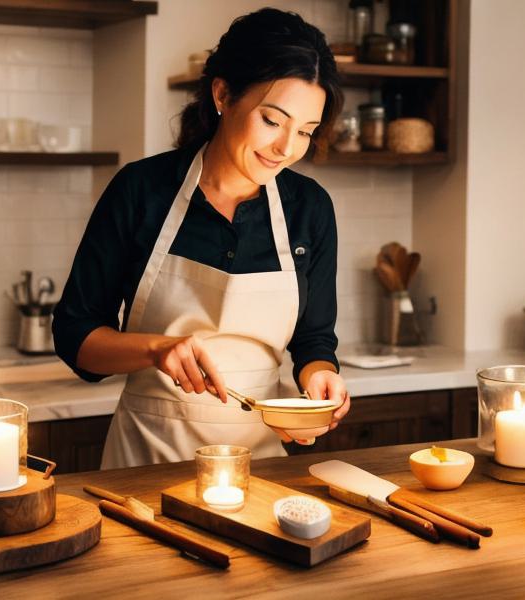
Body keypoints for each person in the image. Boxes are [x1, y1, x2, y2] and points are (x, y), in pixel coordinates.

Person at [53, 9, 351, 469]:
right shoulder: (141, 191)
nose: (286, 148)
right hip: (146, 463)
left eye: (306, 132)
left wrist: (320, 378)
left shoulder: (310, 209)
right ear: (222, 94)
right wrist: (156, 349)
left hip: (260, 465)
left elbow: (313, 340)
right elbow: (76, 338)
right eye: (273, 121)